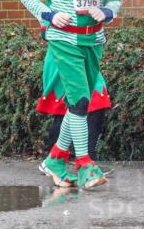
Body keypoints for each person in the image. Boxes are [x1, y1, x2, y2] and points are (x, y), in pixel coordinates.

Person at [20, 0, 121, 189]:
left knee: (83, 103)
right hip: (64, 41)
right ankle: (85, 164)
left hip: (94, 41)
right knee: (78, 101)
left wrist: (107, 12)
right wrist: (50, 15)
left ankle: (55, 158)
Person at [36, 49, 111, 177]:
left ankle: (83, 161)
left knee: (96, 100)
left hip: (85, 53)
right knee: (72, 106)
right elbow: (45, 32)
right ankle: (62, 162)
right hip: (64, 53)